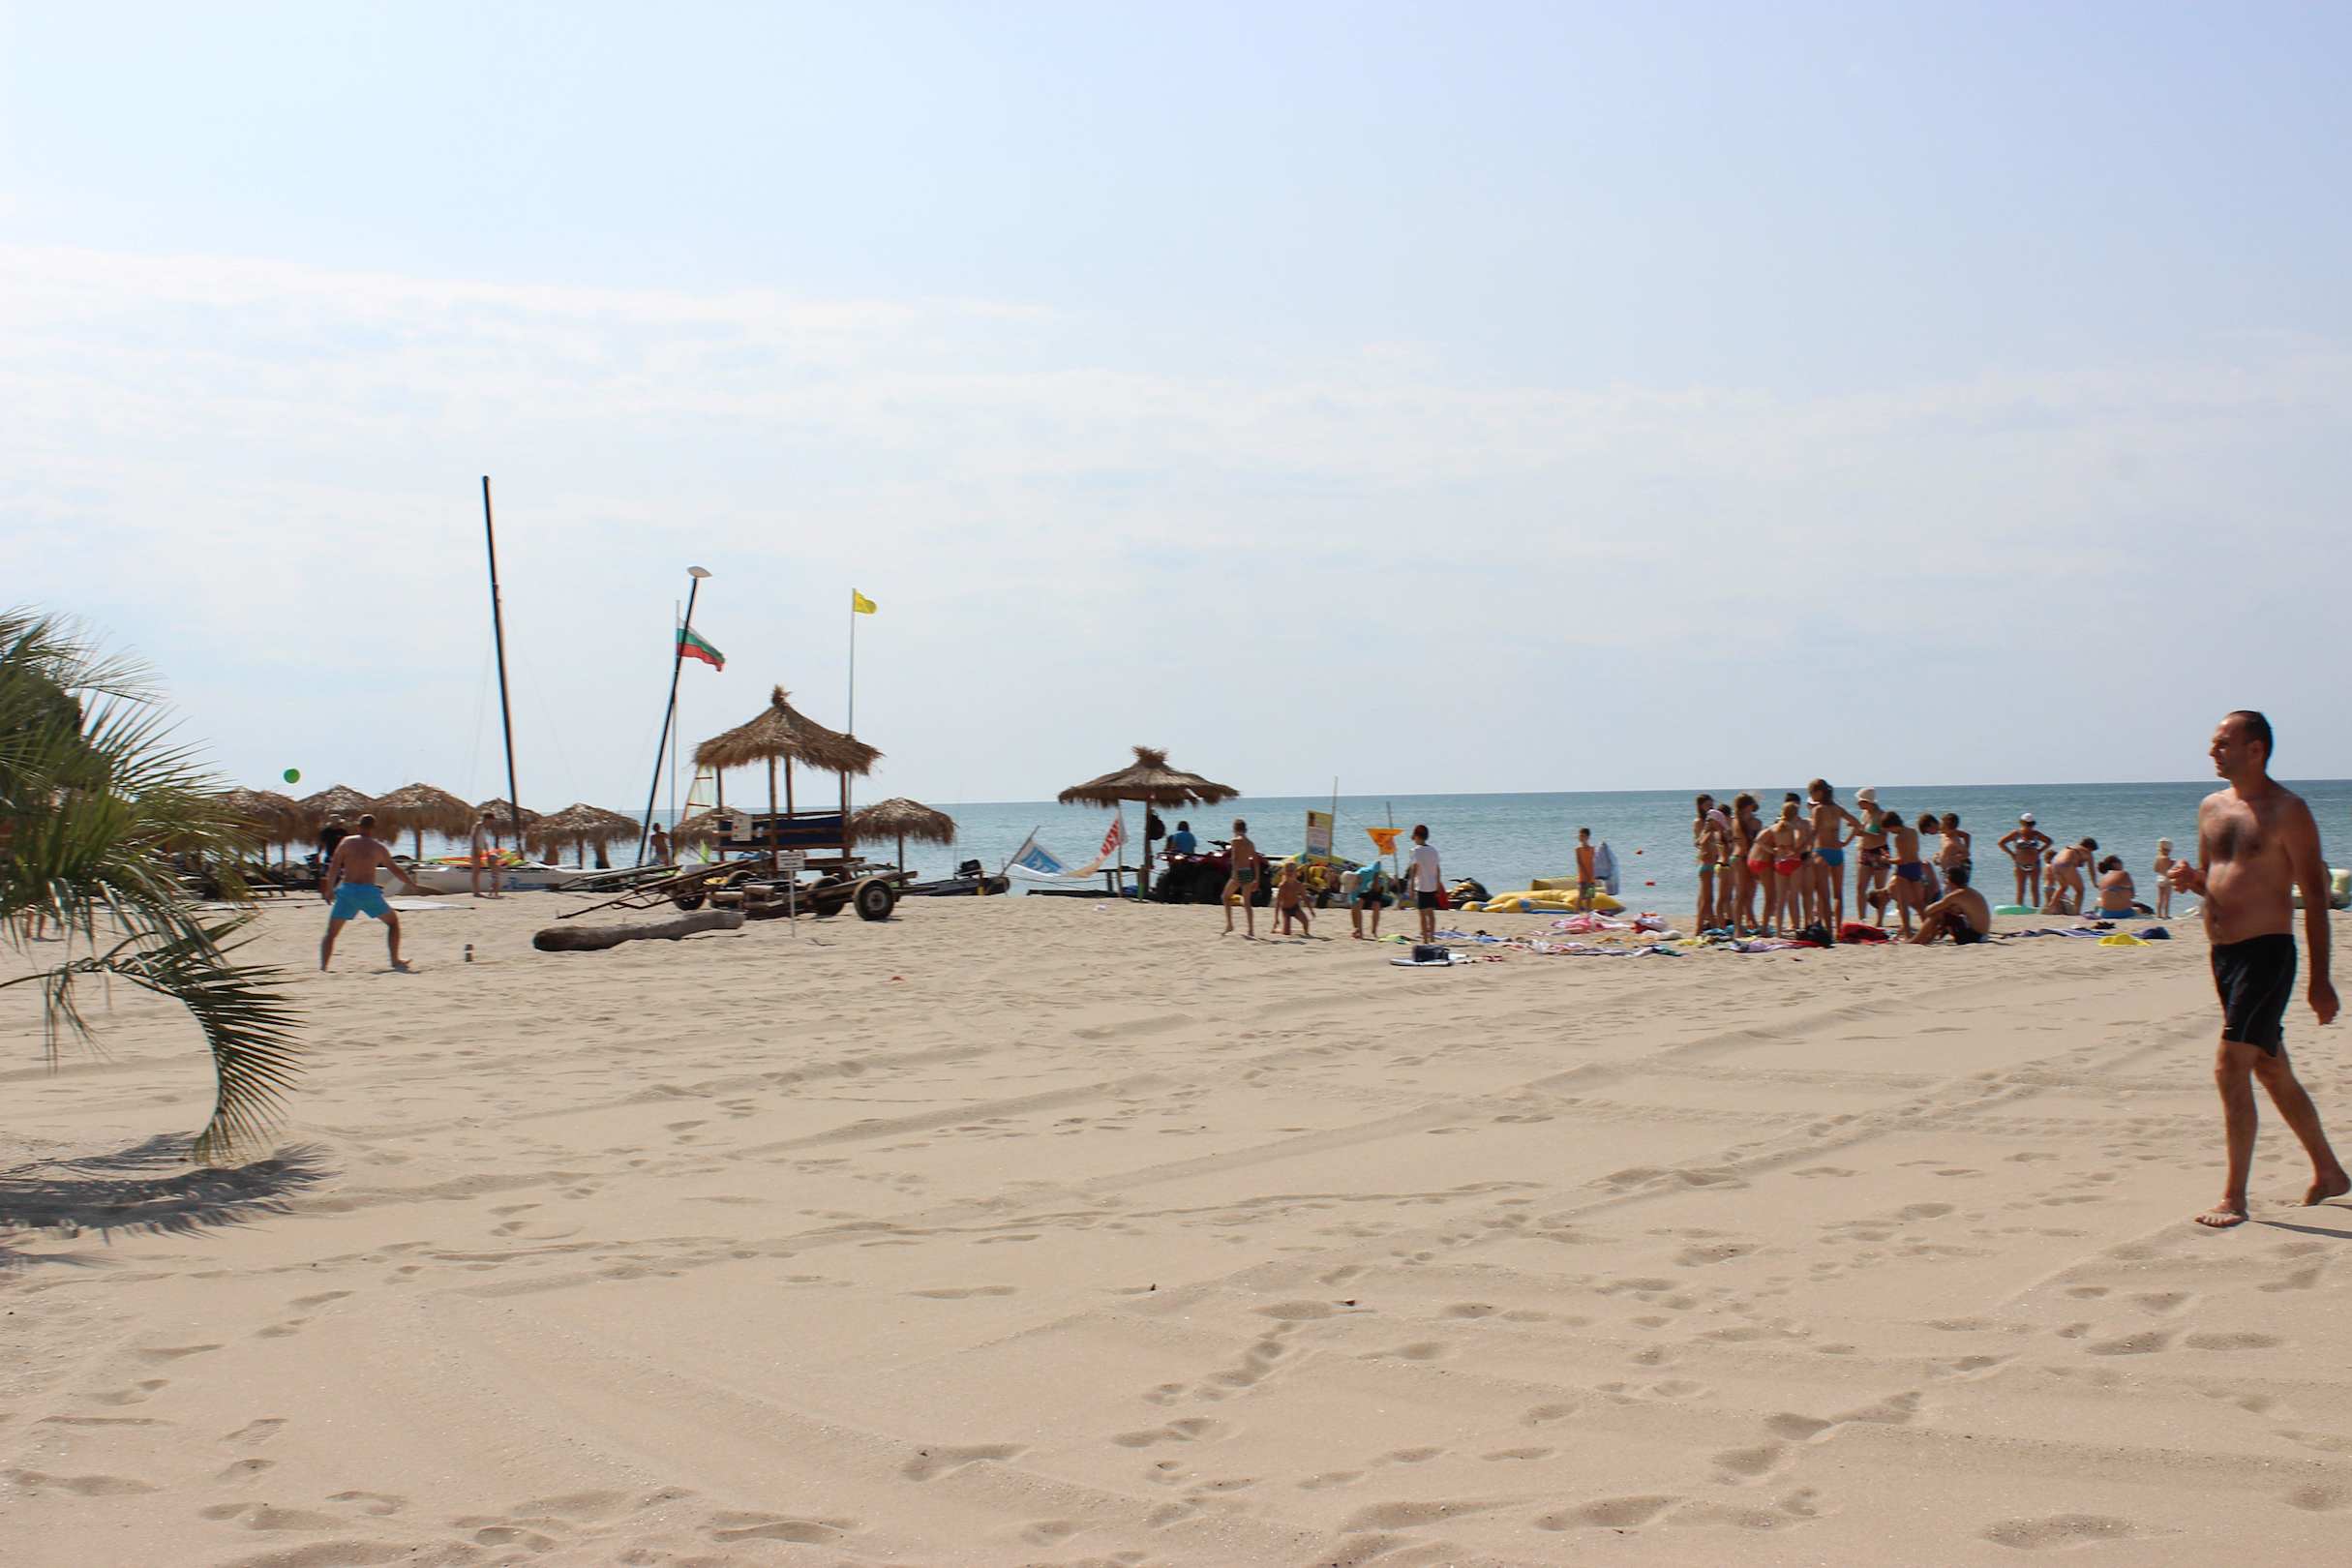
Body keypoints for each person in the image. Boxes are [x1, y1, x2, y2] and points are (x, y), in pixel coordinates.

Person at [2167, 710, 2347, 1228]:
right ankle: (2330, 1172)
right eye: (2213, 743)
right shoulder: (2211, 808)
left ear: (2256, 749)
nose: (2213, 751)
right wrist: (2191, 880)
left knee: (2230, 1067)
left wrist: (2320, 979)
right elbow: (2215, 880)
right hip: (2224, 957)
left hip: (2267, 955)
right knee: (2270, 1067)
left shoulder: (2289, 811)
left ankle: (2234, 1198)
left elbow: (2316, 899)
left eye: (2223, 743)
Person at [320, 813, 426, 971]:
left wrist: (329, 890)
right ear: (373, 828)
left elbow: (334, 866)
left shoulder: (347, 842)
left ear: (358, 827)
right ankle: (395, 960)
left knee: (331, 932)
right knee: (393, 923)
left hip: (348, 891)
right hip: (368, 892)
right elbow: (395, 869)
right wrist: (411, 883)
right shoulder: (378, 848)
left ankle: (324, 967)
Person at [1807, 780, 1859, 928]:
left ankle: (1829, 930)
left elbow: (1814, 832)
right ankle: (1838, 930)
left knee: (1824, 895)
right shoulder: (1838, 809)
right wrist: (1845, 842)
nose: (1811, 796)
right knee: (1838, 894)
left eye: (1811, 793)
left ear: (1819, 792)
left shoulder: (1818, 810)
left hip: (1821, 852)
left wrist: (1805, 849)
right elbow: (1857, 824)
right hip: (1837, 853)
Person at [1912, 862, 1992, 946]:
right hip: (1982, 936)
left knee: (1938, 913)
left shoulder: (1956, 895)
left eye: (1946, 880)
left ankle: (1915, 941)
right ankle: (1927, 940)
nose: (1944, 882)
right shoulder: (1968, 891)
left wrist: (1946, 893)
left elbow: (1928, 911)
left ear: (1951, 881)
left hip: (1975, 937)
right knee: (1945, 912)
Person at [1998, 813, 2053, 909]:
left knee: (2034, 888)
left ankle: (2036, 908)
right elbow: (2001, 843)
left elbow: (2049, 841)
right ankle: (2019, 908)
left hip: (2035, 864)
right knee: (2021, 889)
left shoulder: (2036, 834)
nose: (2029, 826)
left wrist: (2040, 851)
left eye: (2031, 824)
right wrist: (2012, 854)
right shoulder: (2016, 834)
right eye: (2027, 824)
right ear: (2021, 823)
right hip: (2020, 864)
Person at [1221, 819, 1263, 938]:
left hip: (1238, 873)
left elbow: (1234, 859)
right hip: (1247, 872)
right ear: (1245, 829)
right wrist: (1257, 880)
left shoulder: (1234, 841)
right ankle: (1251, 930)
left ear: (1234, 829)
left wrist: (1234, 874)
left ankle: (1230, 924)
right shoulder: (1250, 843)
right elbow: (1256, 862)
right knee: (1247, 903)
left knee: (1225, 897)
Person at [1854, 788, 1891, 921]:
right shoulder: (1864, 814)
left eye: (1860, 801)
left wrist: (1863, 833)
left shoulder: (1881, 816)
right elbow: (1863, 833)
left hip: (1879, 852)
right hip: (1865, 852)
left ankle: (1879, 920)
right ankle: (1862, 919)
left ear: (1868, 801)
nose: (1858, 804)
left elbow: (1882, 838)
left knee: (1879, 889)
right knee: (1860, 888)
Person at [1693, 796, 1724, 932]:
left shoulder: (1714, 822)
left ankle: (1708, 923)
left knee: (1705, 895)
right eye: (1707, 805)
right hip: (1706, 860)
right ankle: (1704, 925)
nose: (1710, 807)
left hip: (1714, 860)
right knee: (1707, 897)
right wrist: (1708, 830)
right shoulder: (1700, 822)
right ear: (1700, 806)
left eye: (1712, 804)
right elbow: (1698, 842)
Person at [1407, 824, 1442, 944]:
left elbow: (1414, 869)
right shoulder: (1433, 850)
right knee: (1431, 913)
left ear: (1417, 836)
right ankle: (1432, 937)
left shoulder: (1415, 851)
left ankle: (1425, 939)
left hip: (1421, 885)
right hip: (1432, 885)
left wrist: (1411, 886)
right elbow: (1437, 869)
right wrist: (1438, 883)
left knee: (1422, 914)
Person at [2044, 837, 2096, 915]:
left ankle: (2051, 906)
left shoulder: (2070, 847)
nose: (2091, 852)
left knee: (2063, 887)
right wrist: (2094, 883)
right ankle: (2076, 912)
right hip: (2066, 865)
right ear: (2089, 847)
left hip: (2054, 863)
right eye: (2092, 850)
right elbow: (2091, 870)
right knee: (2080, 891)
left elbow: (2071, 859)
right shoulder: (2087, 852)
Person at [468, 808, 504, 898]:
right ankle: (476, 892)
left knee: (478, 871)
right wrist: (475, 848)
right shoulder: (479, 825)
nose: (491, 822)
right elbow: (474, 837)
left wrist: (487, 850)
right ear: (487, 819)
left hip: (480, 849)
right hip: (476, 849)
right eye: (490, 820)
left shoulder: (484, 828)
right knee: (476, 871)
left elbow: (483, 840)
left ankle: (477, 891)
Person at [1272, 859, 1312, 937]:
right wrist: (1276, 918)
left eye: (1292, 871)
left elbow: (1305, 898)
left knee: (1306, 924)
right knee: (1286, 933)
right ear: (1285, 872)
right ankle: (1276, 930)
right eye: (1288, 871)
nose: (1289, 873)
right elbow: (1278, 903)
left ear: (1296, 872)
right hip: (1286, 910)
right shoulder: (1283, 886)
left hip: (1295, 907)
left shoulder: (1299, 885)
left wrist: (1311, 910)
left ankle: (1298, 931)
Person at [1350, 859, 1389, 940]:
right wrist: (1357, 928)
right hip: (1365, 887)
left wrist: (1376, 880)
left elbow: (1378, 864)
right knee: (1357, 906)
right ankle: (1359, 931)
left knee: (1376, 905)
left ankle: (1374, 931)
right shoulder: (1354, 888)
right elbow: (1354, 908)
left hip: (1375, 883)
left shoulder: (1364, 873)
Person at [316, 820, 349, 896]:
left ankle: (337, 891)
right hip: (330, 856)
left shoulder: (343, 832)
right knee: (327, 874)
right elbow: (321, 843)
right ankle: (327, 891)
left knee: (341, 875)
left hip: (342, 857)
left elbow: (348, 844)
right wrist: (318, 854)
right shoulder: (326, 832)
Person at [1574, 828, 1598, 911]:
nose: (1580, 837)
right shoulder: (1578, 850)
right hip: (1583, 878)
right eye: (1580, 836)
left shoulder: (1592, 849)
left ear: (1588, 837)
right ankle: (1576, 913)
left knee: (1589, 897)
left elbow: (1596, 862)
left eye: (1583, 836)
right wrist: (1587, 876)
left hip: (1591, 878)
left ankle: (1588, 913)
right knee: (1580, 896)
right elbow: (1580, 863)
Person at [2154, 838, 2177, 919]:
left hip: (2159, 878)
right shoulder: (2167, 859)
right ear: (2168, 850)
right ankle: (2166, 915)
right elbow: (2169, 869)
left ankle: (2158, 914)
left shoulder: (2157, 858)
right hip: (2166, 879)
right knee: (2167, 898)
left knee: (2159, 898)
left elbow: (2155, 869)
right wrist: (2173, 863)